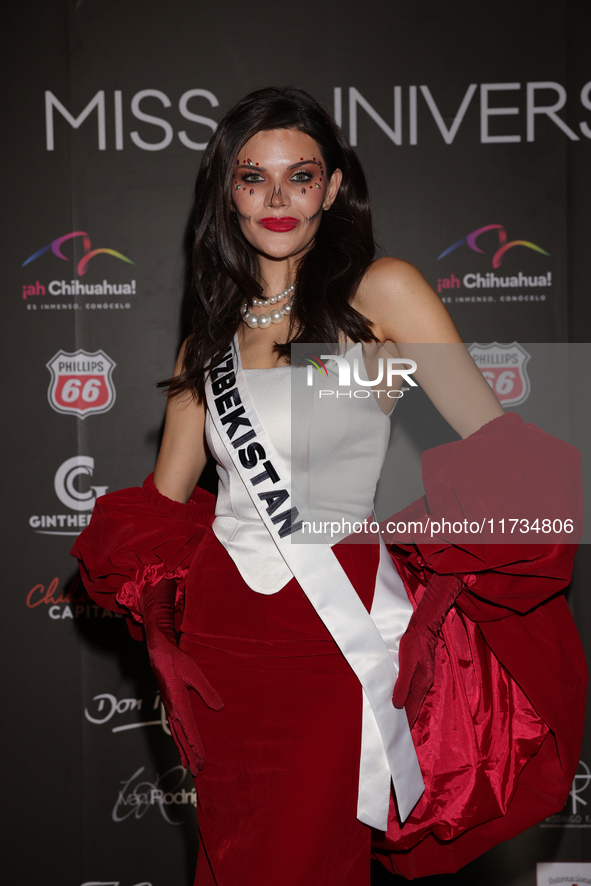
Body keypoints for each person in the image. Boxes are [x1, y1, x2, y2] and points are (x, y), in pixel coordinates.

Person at [72, 86, 586, 886]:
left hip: (330, 636)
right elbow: (160, 507)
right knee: (233, 858)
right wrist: (181, 606)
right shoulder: (204, 338)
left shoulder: (380, 293)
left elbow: (497, 447)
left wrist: (429, 555)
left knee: (304, 857)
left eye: (300, 176)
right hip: (224, 644)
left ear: (333, 187)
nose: (277, 199)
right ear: (227, 192)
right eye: (253, 178)